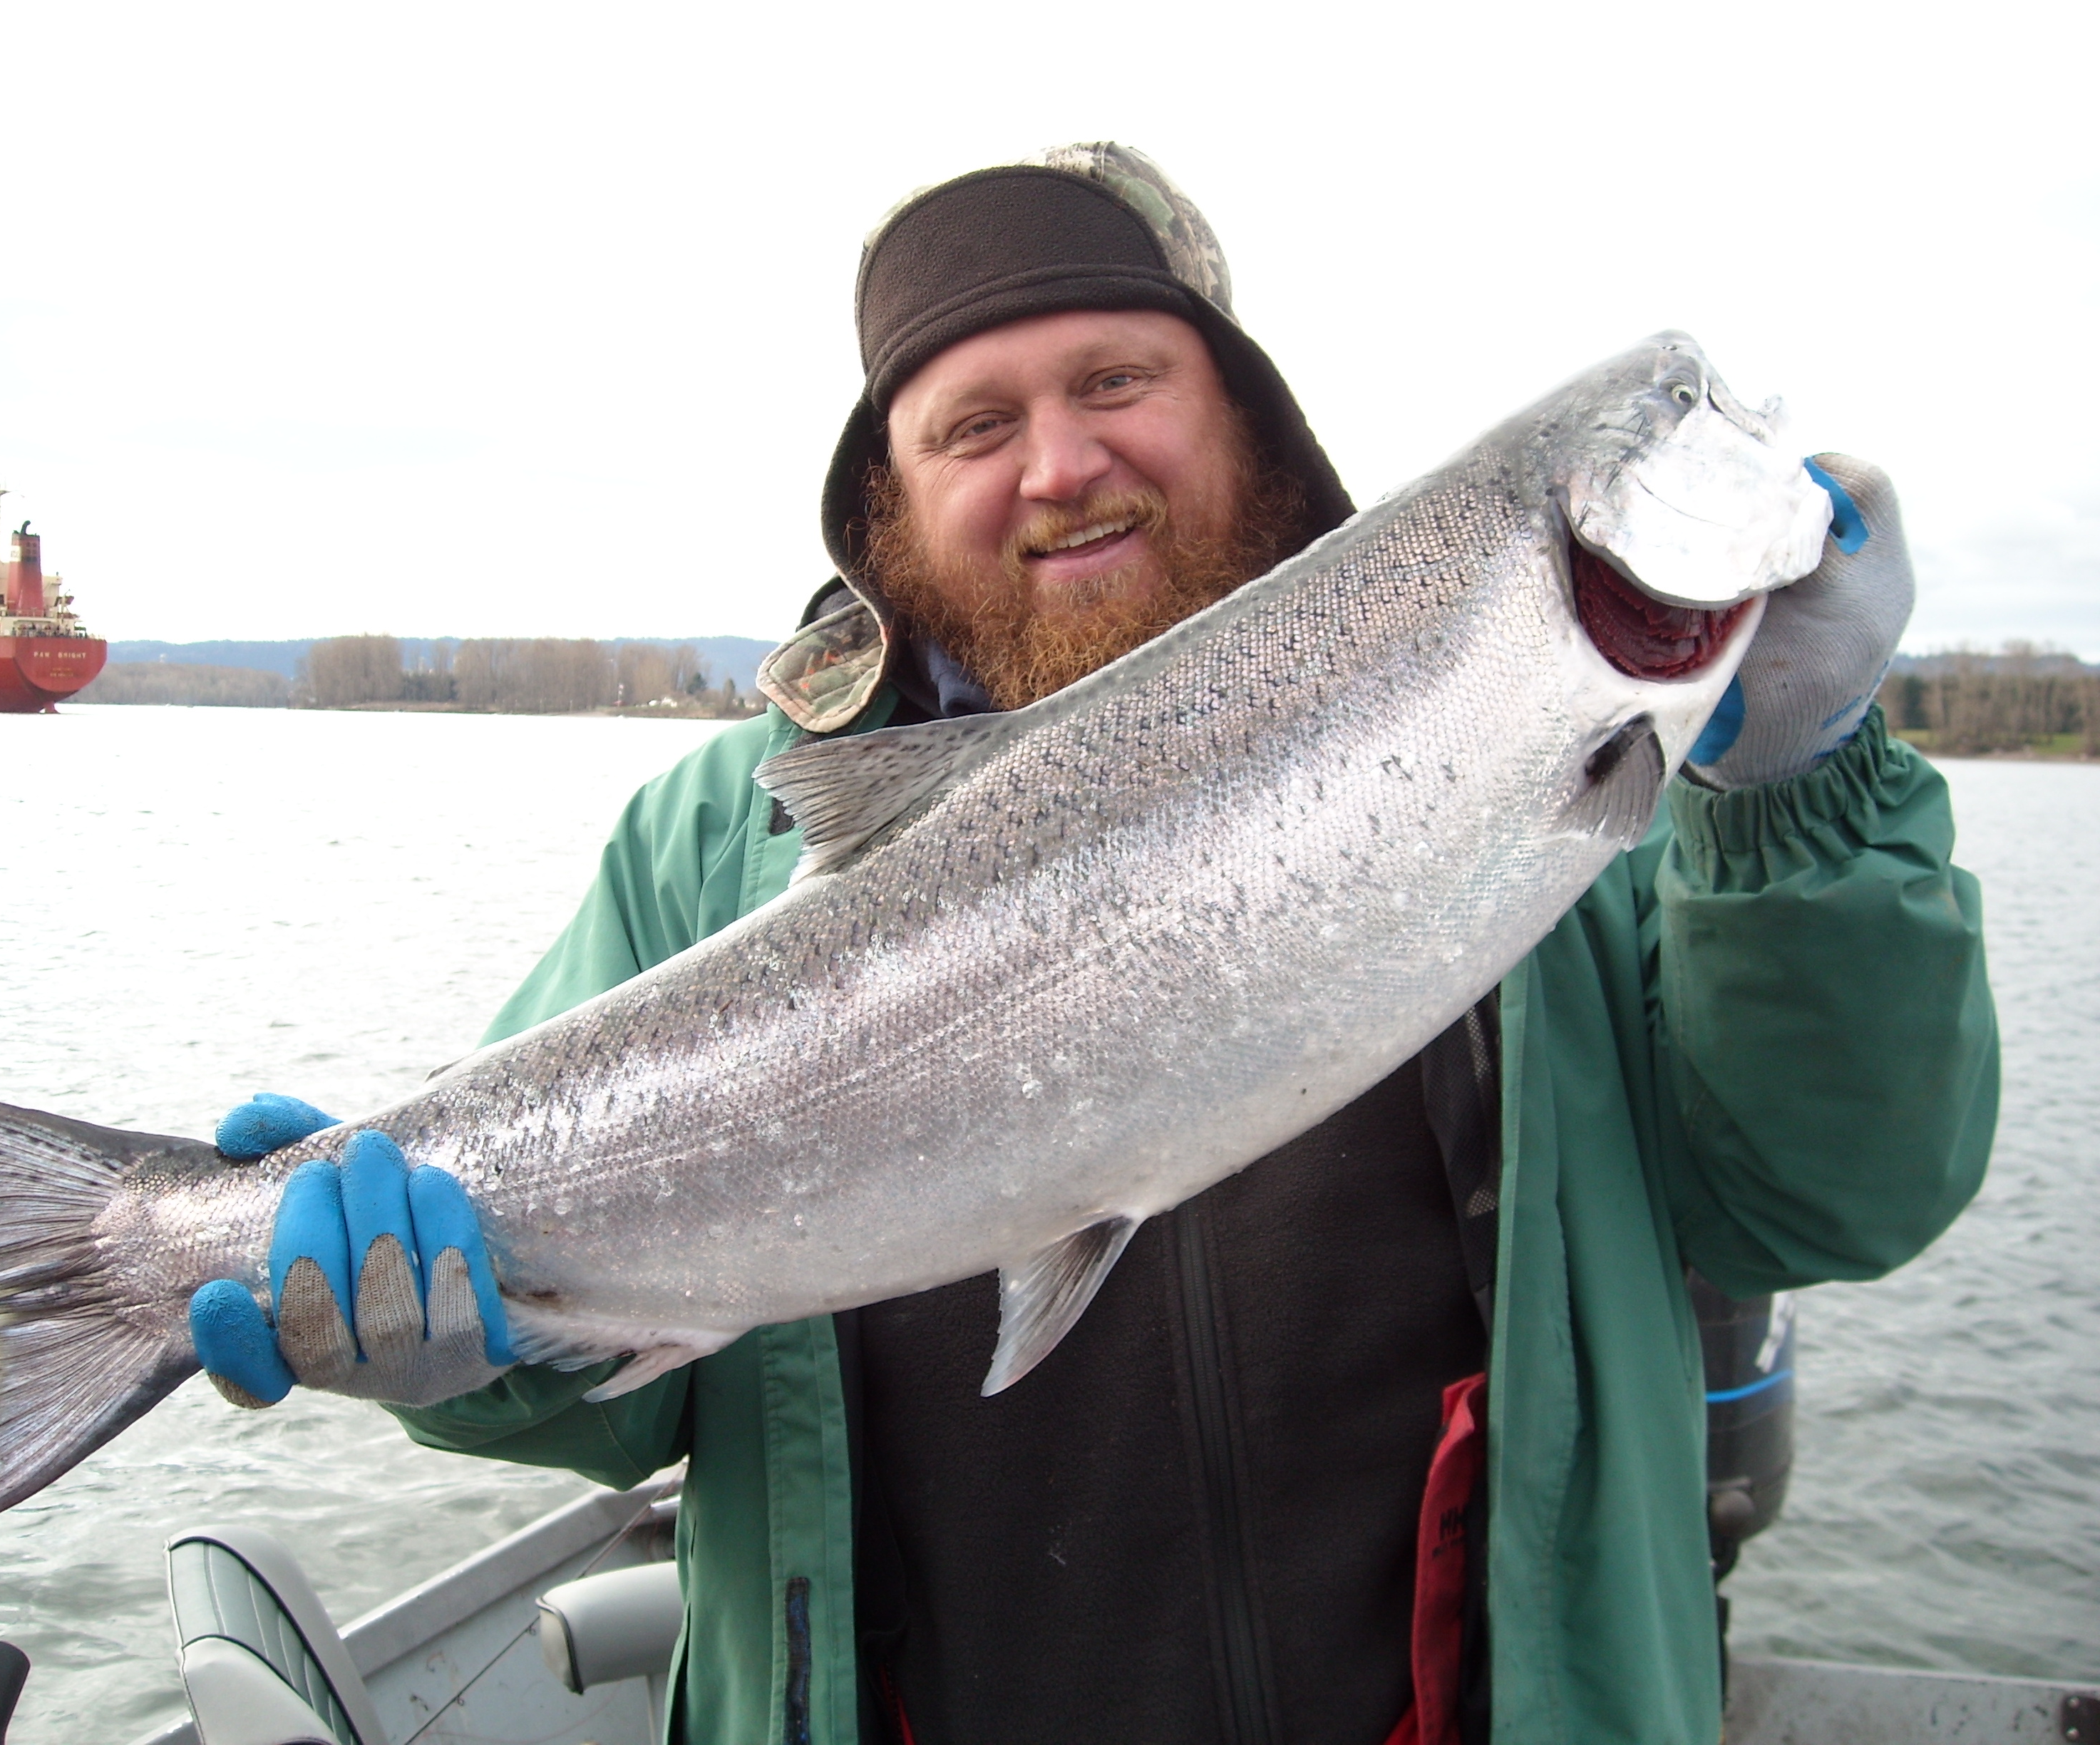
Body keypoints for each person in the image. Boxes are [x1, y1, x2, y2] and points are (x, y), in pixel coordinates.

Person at [189, 146, 1997, 1745]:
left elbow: (1838, 1197)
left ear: (1248, 421)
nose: (1061, 465)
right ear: (889, 502)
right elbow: (608, 1419)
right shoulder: (712, 843)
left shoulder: (1552, 772)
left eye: (1120, 380)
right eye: (974, 425)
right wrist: (461, 1354)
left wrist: (1798, 789)